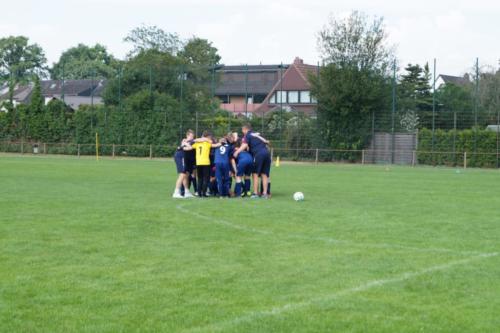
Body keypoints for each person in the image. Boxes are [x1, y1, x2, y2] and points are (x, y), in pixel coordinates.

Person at [233, 124, 271, 198]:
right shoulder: (257, 134)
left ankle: (255, 193)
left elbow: (244, 145)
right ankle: (265, 193)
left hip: (258, 154)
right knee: (264, 174)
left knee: (255, 174)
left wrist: (237, 152)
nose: (242, 132)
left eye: (242, 130)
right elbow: (267, 142)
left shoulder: (248, 135)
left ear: (245, 129)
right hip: (267, 153)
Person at [188, 131, 214, 198]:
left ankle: (199, 193)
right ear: (207, 137)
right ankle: (204, 193)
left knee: (200, 178)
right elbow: (212, 143)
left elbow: (191, 145)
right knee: (206, 179)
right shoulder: (207, 143)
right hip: (206, 163)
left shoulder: (197, 143)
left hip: (198, 163)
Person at [172, 130, 195, 199]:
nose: (192, 137)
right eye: (191, 136)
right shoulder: (185, 141)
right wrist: (186, 144)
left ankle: (186, 192)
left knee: (185, 174)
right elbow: (188, 148)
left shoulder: (188, 142)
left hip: (183, 157)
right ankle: (176, 192)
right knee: (182, 174)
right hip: (180, 156)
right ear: (187, 135)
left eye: (193, 136)